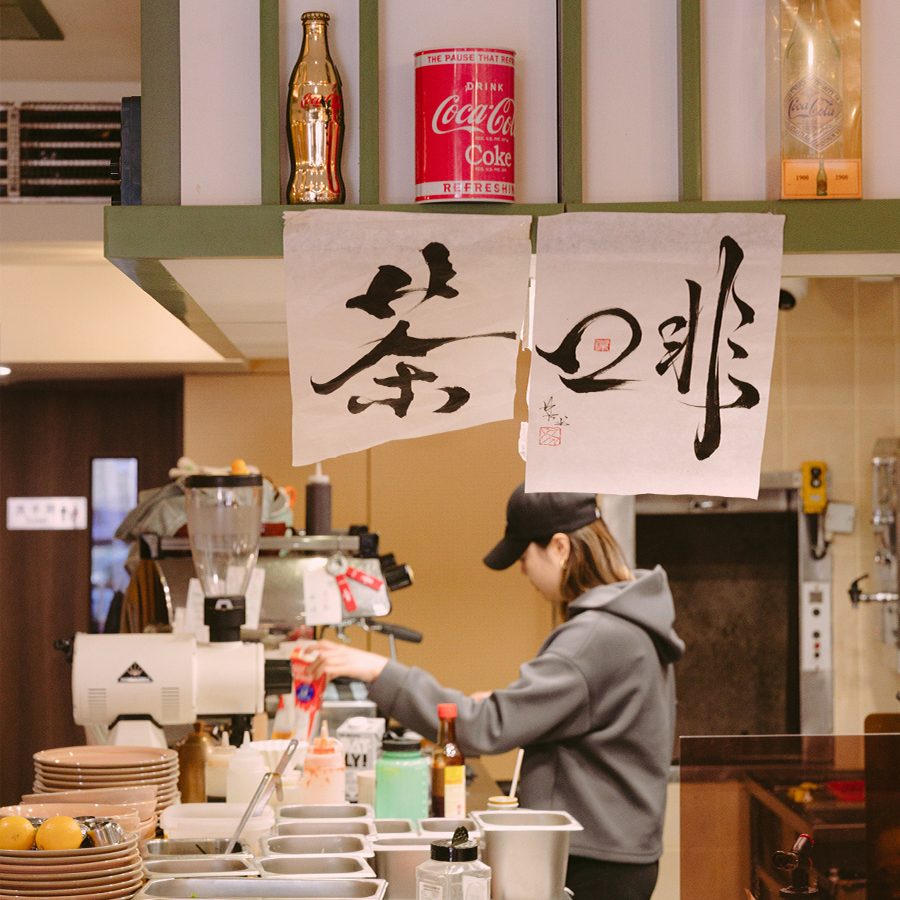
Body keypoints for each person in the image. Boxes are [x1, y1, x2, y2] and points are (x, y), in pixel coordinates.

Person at [310, 483, 684, 900]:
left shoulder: (595, 635)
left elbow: (482, 729)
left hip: (592, 863)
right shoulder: (630, 623)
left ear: (560, 547)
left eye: (524, 556)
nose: (523, 571)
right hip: (619, 854)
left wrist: (378, 670)